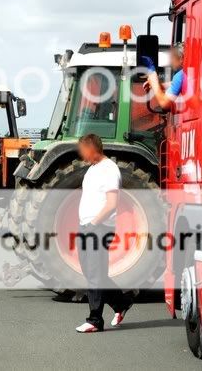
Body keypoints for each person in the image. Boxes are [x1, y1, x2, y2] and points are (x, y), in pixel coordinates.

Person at [74, 134, 134, 333]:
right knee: (90, 271)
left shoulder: (109, 170)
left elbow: (111, 204)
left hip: (99, 227)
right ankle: (122, 302)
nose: (80, 154)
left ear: (92, 148)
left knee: (94, 273)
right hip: (86, 226)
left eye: (83, 149)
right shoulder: (92, 169)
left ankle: (95, 321)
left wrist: (93, 223)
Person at [147, 43, 185, 110]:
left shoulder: (180, 75)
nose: (171, 61)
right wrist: (159, 85)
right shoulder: (189, 74)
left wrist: (154, 83)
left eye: (172, 57)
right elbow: (176, 83)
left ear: (181, 58)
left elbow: (164, 103)